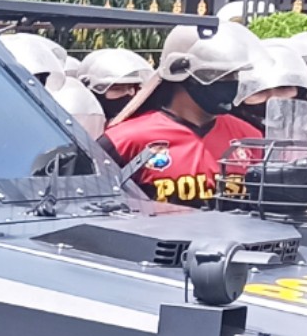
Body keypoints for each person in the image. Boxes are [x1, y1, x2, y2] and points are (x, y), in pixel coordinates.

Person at [103, 21, 263, 207]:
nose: (229, 83)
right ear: (178, 72)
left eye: (234, 75)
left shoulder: (250, 137)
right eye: (216, 74)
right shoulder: (124, 141)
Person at [74, 47, 152, 117]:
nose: (130, 93)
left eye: (133, 87)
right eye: (118, 88)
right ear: (92, 93)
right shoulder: (80, 125)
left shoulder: (146, 125)